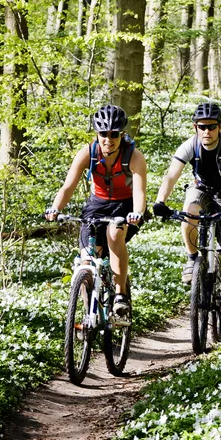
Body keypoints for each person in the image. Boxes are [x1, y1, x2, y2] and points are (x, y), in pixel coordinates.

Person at [152, 102, 221, 336]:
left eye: (211, 127)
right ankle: (192, 259)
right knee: (190, 212)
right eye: (202, 127)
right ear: (195, 128)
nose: (206, 131)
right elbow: (171, 175)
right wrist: (160, 201)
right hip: (201, 189)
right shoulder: (190, 145)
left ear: (219, 127)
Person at [45, 105, 147, 321]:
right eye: (103, 134)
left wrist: (137, 213)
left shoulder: (134, 156)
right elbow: (67, 187)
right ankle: (88, 315)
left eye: (114, 134)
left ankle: (120, 296)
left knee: (114, 234)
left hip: (125, 205)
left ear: (122, 134)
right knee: (87, 261)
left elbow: (139, 192)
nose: (108, 139)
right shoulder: (88, 153)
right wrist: (55, 208)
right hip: (96, 205)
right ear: (97, 134)